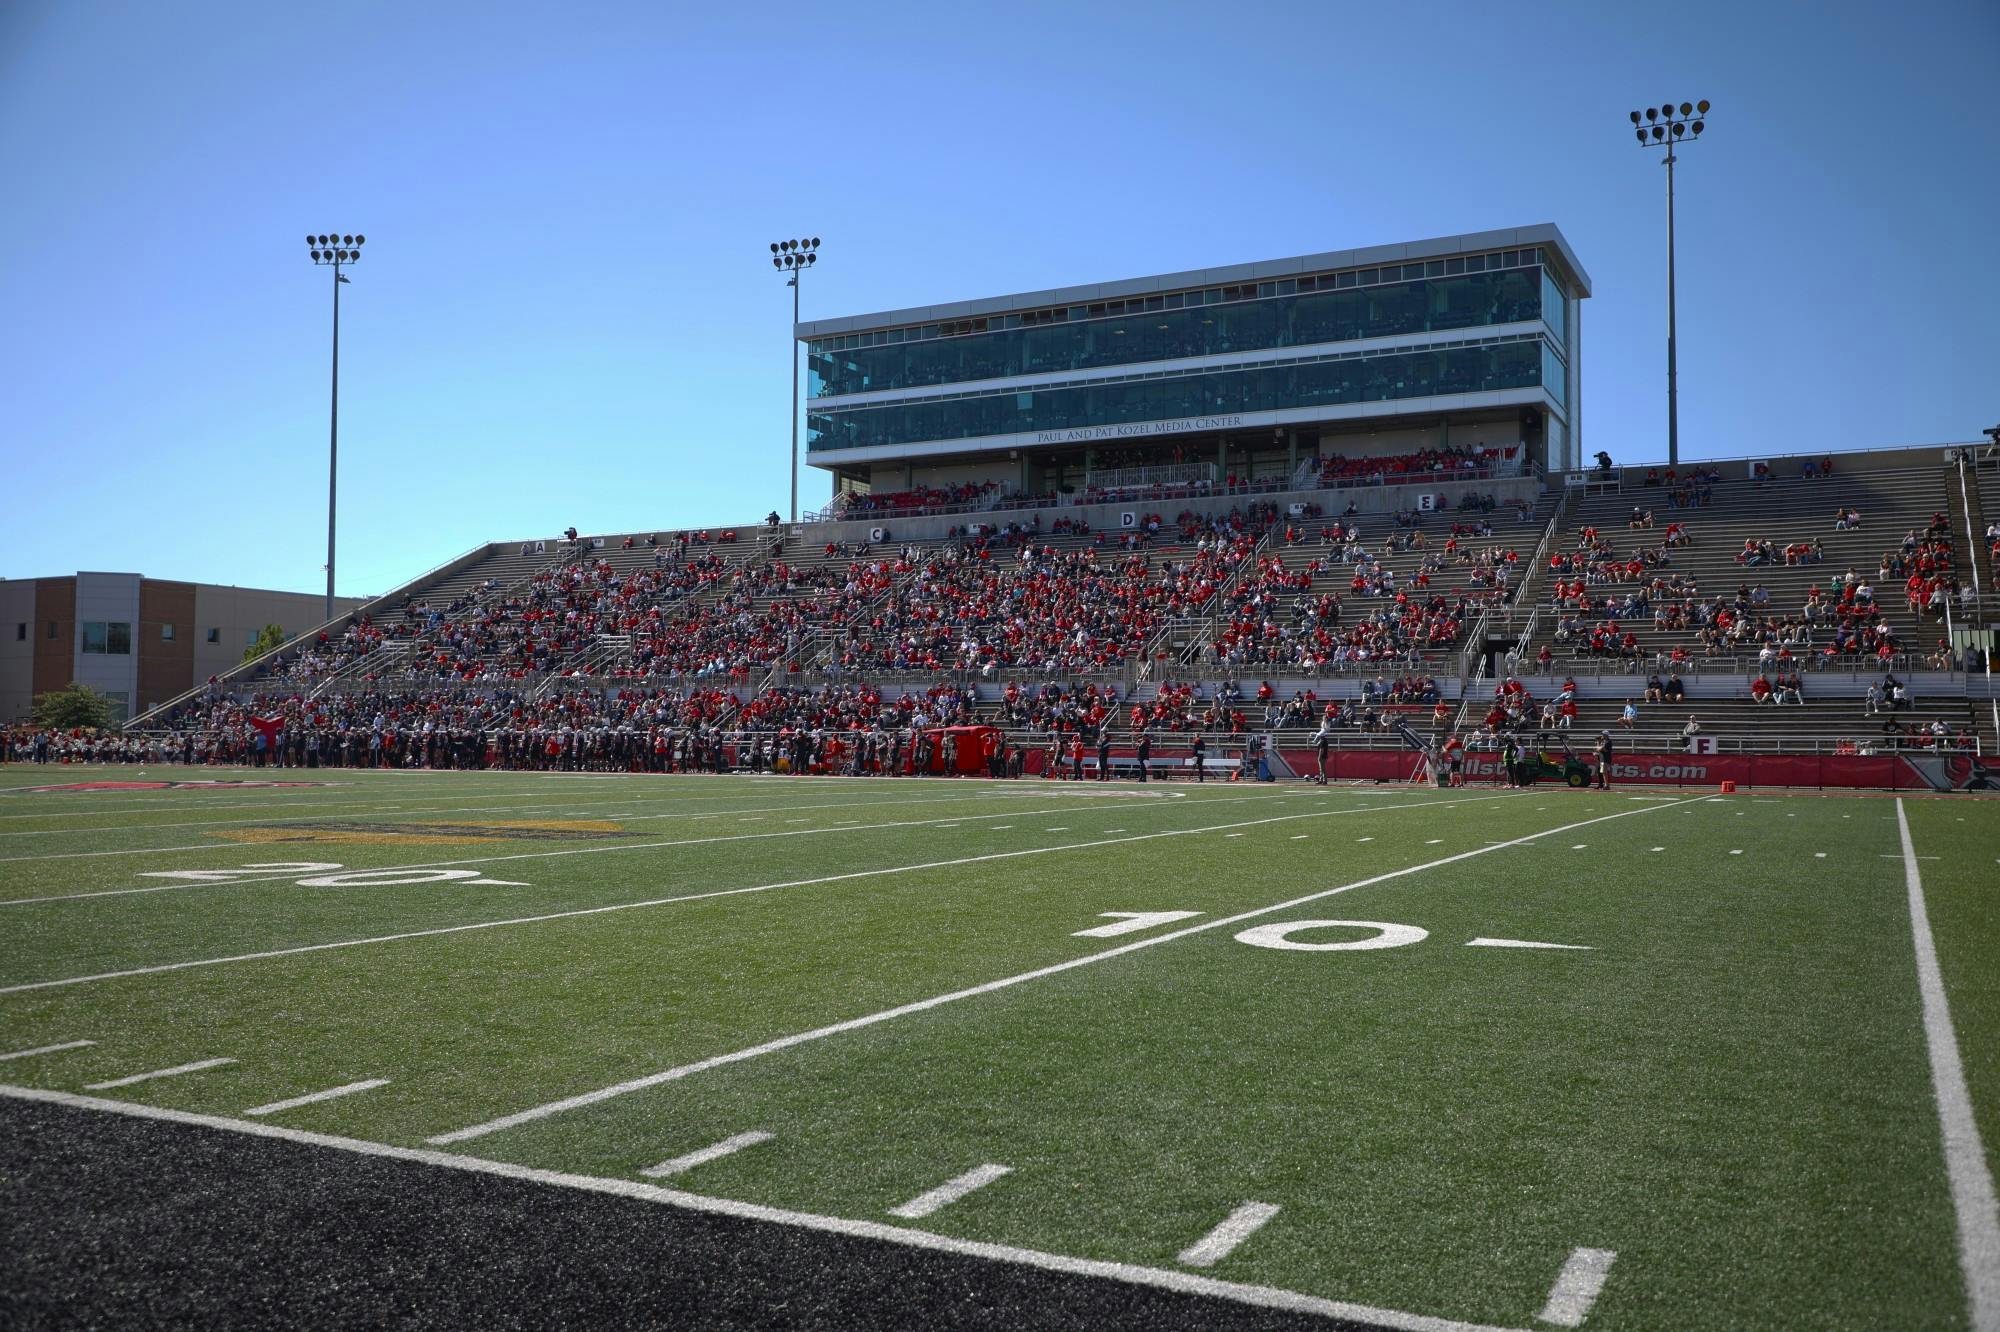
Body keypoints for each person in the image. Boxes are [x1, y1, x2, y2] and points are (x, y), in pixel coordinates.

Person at [1313, 719, 1332, 786]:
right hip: (1323, 756)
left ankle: (1324, 780)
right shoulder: (1324, 740)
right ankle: (1321, 780)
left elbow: (1322, 749)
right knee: (1321, 769)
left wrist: (1319, 756)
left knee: (1322, 769)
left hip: (1322, 756)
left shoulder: (1323, 741)